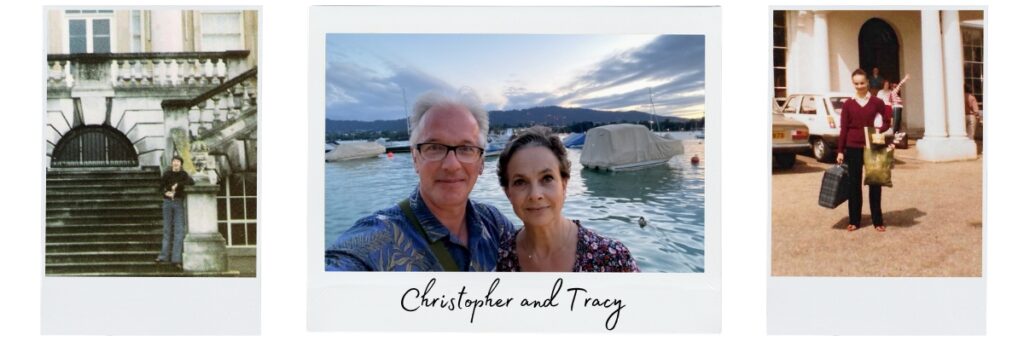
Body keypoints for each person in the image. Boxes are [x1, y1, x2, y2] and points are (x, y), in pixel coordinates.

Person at [325, 91, 516, 271]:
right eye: (434, 147)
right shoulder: (377, 241)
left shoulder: (494, 224)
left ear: (481, 163)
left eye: (466, 149)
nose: (451, 165)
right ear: (415, 158)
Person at [495, 126, 639, 272]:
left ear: (564, 184)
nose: (535, 194)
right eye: (520, 182)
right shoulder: (500, 258)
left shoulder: (613, 260)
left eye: (547, 178)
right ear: (508, 192)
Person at [836, 69, 893, 232]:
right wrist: (840, 151)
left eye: (862, 83)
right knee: (854, 185)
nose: (859, 86)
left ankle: (878, 220)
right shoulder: (848, 104)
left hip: (874, 145)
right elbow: (844, 128)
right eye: (856, 83)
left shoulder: (877, 103)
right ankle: (854, 220)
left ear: (868, 82)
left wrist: (879, 129)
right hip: (853, 147)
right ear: (853, 84)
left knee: (875, 183)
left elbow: (887, 122)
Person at [156, 156, 195, 269]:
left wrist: (178, 185)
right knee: (167, 230)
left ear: (181, 164)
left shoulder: (183, 175)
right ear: (171, 163)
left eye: (178, 162)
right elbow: (160, 187)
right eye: (174, 161)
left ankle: (176, 259)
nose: (175, 163)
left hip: (178, 203)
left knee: (179, 231)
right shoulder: (167, 174)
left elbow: (191, 182)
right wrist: (167, 190)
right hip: (167, 203)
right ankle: (163, 256)